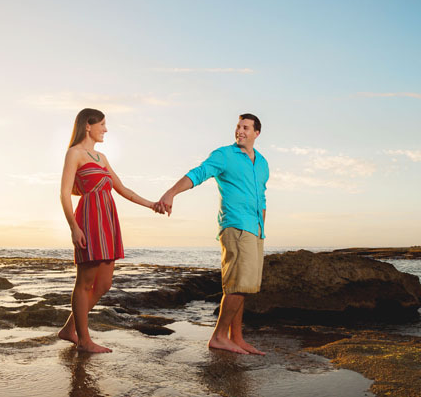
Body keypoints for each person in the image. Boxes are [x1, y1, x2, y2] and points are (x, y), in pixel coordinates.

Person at [158, 114, 269, 355]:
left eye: (245, 127)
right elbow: (199, 173)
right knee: (238, 284)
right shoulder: (224, 155)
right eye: (238, 126)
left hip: (255, 229)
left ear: (256, 133)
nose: (240, 131)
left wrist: (262, 228)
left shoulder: (262, 163)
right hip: (236, 225)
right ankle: (219, 336)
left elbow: (261, 196)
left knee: (242, 285)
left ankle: (236, 337)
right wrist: (171, 193)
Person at [58, 108, 162, 353]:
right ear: (88, 126)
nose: (105, 129)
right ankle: (84, 340)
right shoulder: (74, 153)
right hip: (88, 219)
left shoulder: (101, 157)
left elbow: (123, 189)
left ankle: (69, 329)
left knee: (104, 284)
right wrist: (74, 227)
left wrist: (152, 205)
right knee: (84, 283)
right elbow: (64, 193)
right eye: (102, 124)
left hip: (107, 221)